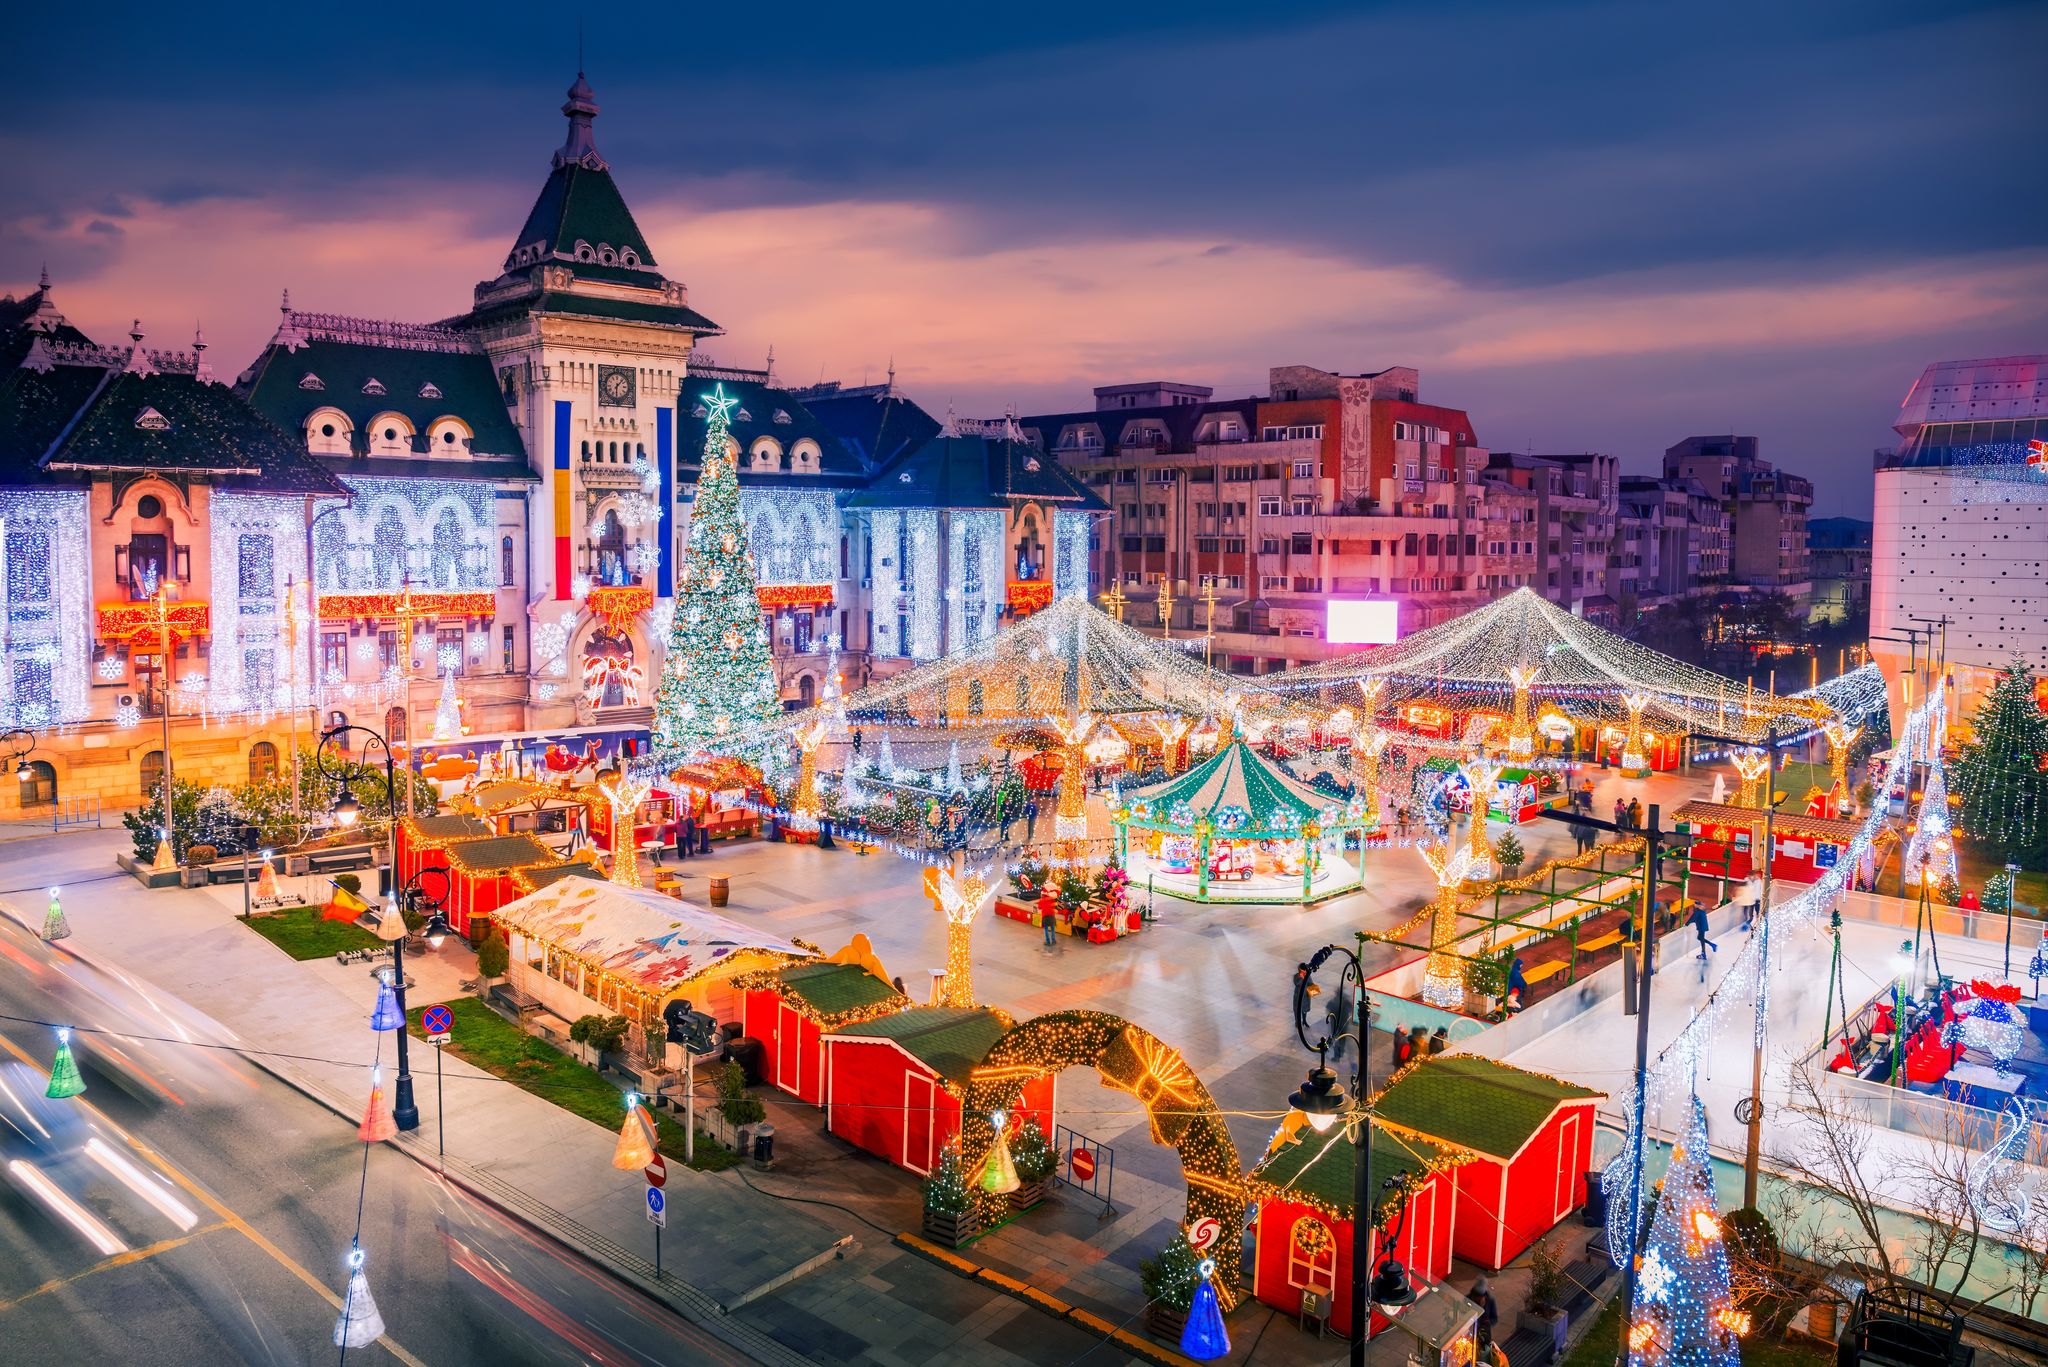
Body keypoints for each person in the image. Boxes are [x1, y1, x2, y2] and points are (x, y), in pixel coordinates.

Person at [1326, 985, 1355, 1062]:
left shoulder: (1334, 1001)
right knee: (1343, 1039)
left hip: (1336, 1025)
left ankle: (1337, 1057)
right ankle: (1341, 1052)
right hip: (1344, 1024)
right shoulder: (1346, 1001)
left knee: (1336, 1040)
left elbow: (1328, 1009)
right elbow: (1350, 1009)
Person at [1472, 1275, 1499, 1349]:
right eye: (1477, 1296)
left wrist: (1488, 1321)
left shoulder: (1490, 1301)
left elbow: (1494, 1318)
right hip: (1471, 1333)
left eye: (1481, 1296)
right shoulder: (1469, 1299)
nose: (1479, 1298)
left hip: (1485, 1334)